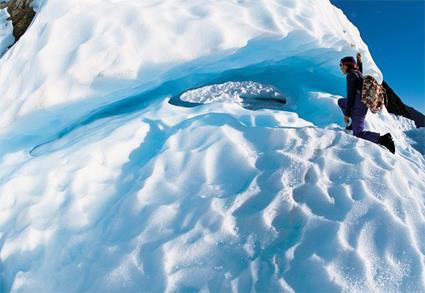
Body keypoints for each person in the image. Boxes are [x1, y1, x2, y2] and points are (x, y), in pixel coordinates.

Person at [337, 55, 395, 154]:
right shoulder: (357, 73)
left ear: (347, 65)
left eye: (341, 65)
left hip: (359, 106)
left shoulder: (350, 75)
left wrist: (346, 114)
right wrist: (359, 62)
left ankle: (384, 139)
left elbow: (350, 96)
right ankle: (353, 123)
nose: (340, 67)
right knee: (341, 102)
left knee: (358, 133)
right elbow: (360, 71)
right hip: (360, 103)